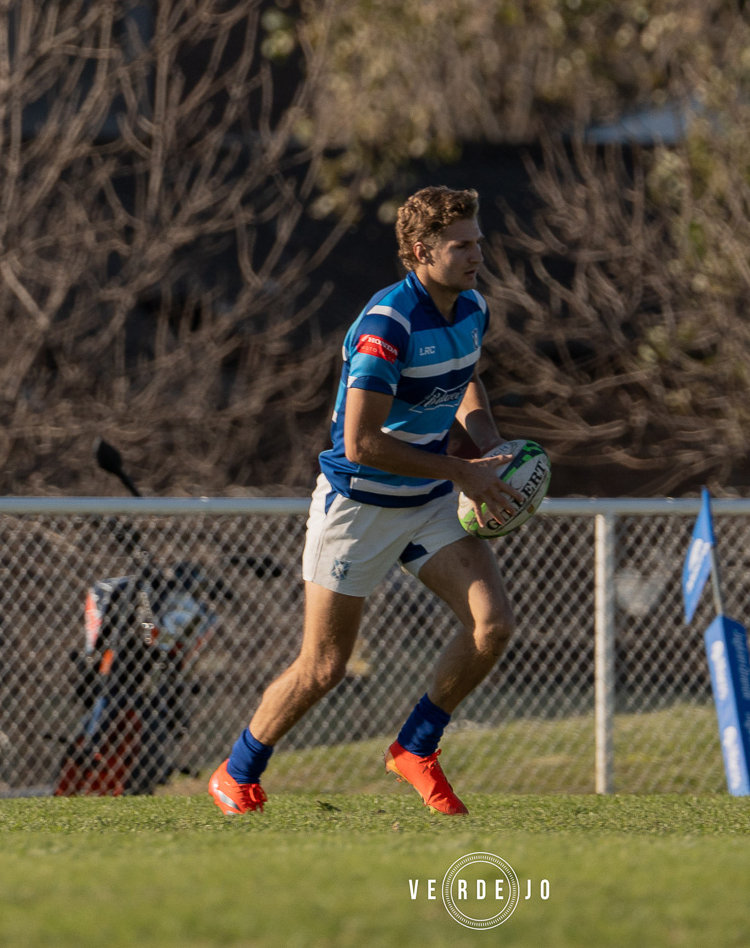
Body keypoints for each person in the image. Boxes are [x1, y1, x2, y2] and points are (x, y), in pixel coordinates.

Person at [207, 186, 527, 816]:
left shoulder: (471, 308)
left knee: (492, 626)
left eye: (478, 242)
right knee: (324, 666)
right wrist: (464, 475)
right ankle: (237, 771)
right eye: (461, 246)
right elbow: (360, 444)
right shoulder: (388, 325)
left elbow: (463, 380)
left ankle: (415, 747)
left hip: (430, 498)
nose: (476, 256)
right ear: (419, 251)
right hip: (359, 506)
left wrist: (487, 445)